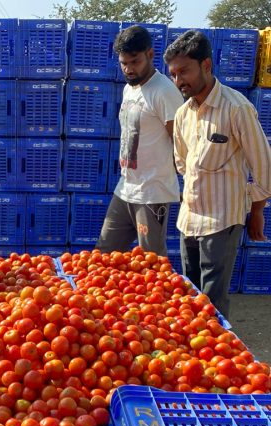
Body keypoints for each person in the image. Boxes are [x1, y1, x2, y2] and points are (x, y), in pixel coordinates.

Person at [165, 30, 271, 317]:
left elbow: (264, 166)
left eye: (184, 72)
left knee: (211, 299)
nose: (178, 81)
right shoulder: (184, 114)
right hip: (189, 219)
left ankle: (216, 350)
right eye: (173, 74)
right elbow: (182, 163)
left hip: (222, 219)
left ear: (207, 65)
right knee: (191, 292)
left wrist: (256, 210)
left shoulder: (237, 108)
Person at [96, 25, 184, 256]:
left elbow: (182, 143)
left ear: (150, 54)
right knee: (103, 255)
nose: (128, 69)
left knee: (151, 262)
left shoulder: (164, 91)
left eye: (134, 62)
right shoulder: (129, 89)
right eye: (124, 63)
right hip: (125, 188)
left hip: (153, 193)